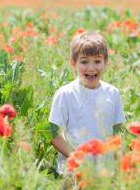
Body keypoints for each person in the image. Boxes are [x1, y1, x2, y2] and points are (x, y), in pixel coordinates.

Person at [48, 31, 126, 175]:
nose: (91, 68)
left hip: (105, 172)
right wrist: (74, 158)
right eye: (84, 62)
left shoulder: (112, 93)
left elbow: (117, 131)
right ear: (73, 63)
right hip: (73, 172)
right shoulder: (65, 94)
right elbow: (52, 133)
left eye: (97, 61)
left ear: (106, 62)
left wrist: (118, 165)